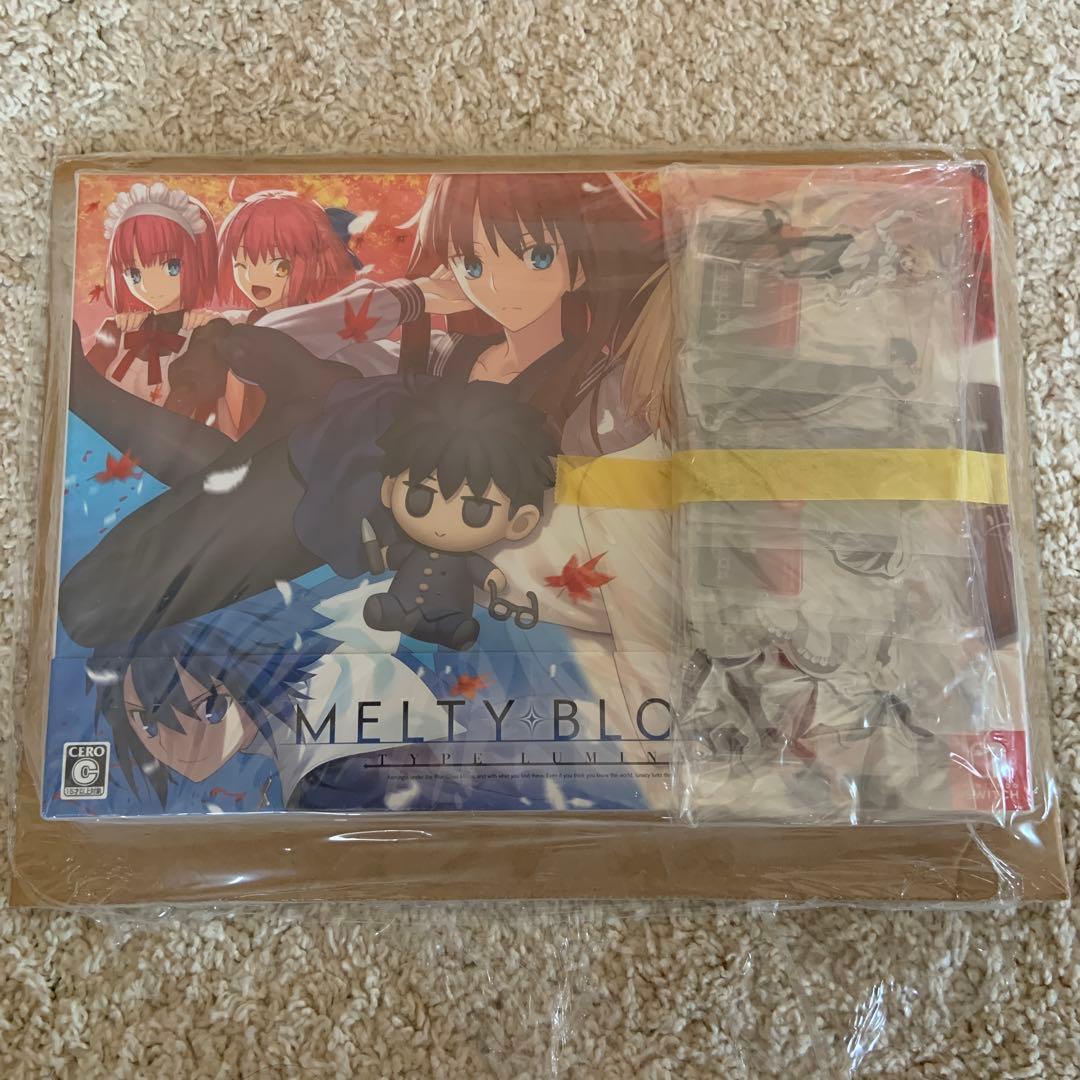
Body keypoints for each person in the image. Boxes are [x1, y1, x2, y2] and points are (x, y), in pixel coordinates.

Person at [364, 379, 555, 650]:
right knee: (385, 608)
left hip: (446, 616)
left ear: (519, 523)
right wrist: (378, 555)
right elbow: (388, 557)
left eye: (475, 511)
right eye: (420, 498)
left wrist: (493, 581)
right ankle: (389, 612)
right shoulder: (411, 550)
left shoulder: (467, 562)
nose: (441, 525)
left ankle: (453, 631)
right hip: (401, 606)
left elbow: (488, 577)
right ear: (389, 489)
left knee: (454, 626)